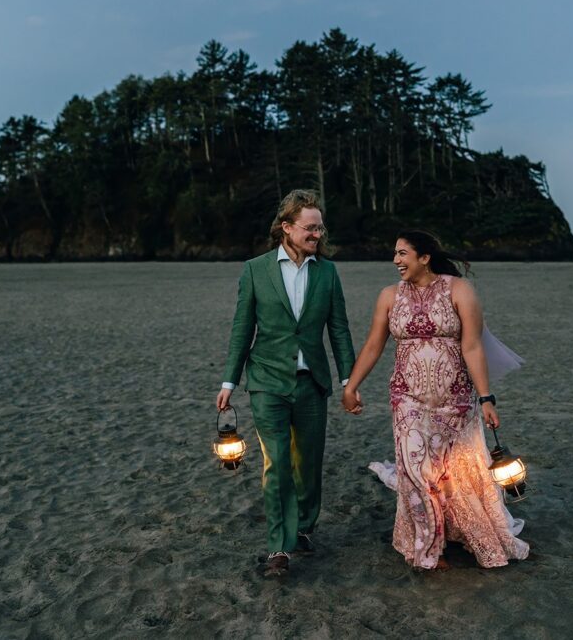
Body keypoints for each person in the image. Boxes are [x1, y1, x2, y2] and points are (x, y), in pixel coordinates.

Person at [342, 230, 530, 571]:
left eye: (402, 254)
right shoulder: (388, 296)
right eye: (395, 254)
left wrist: (486, 398)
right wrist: (352, 386)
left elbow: (472, 346)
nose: (396, 260)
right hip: (407, 399)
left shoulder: (459, 290)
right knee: (416, 472)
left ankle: (462, 533)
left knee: (455, 473)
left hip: (455, 400)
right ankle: (431, 548)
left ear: (424, 257)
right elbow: (373, 344)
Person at [217, 189, 358, 577]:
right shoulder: (255, 269)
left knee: (307, 464)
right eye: (310, 228)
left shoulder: (327, 272)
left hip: (312, 382)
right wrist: (230, 380)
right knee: (276, 463)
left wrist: (350, 380)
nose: (317, 234)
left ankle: (304, 527)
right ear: (287, 227)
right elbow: (242, 328)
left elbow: (339, 330)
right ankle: (279, 546)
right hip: (266, 381)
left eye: (320, 228)